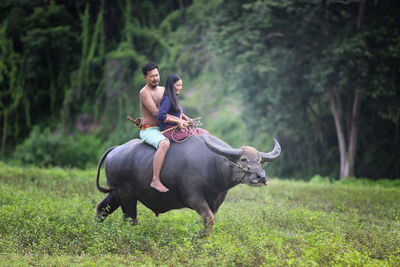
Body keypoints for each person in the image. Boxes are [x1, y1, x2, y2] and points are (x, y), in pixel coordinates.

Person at [139, 63, 188, 192]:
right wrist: (178, 121)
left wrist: (185, 119)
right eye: (152, 76)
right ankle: (155, 180)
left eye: (157, 75)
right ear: (145, 77)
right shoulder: (144, 92)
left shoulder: (162, 90)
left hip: (165, 127)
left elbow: (175, 109)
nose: (155, 78)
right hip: (150, 129)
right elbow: (157, 114)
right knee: (164, 144)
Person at [157, 73, 208, 142]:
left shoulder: (173, 98)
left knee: (204, 133)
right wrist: (178, 121)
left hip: (177, 129)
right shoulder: (167, 99)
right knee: (198, 137)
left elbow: (178, 112)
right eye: (178, 85)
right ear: (171, 86)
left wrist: (187, 119)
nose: (180, 88)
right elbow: (160, 115)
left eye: (181, 85)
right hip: (170, 131)